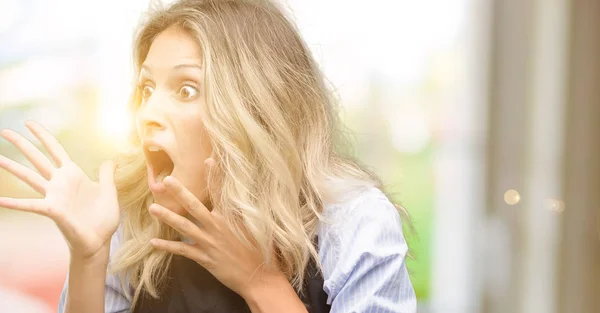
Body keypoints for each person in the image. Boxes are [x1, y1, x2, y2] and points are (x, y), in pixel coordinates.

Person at [0, 0, 416, 312]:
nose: (148, 113)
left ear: (257, 109)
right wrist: (89, 257)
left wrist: (261, 282)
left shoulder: (355, 222)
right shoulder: (132, 217)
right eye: (147, 89)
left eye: (186, 89)